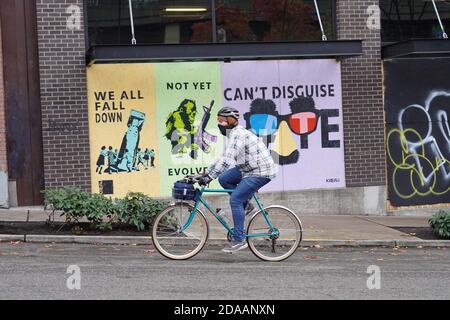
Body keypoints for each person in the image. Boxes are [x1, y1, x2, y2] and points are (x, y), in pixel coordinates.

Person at [198, 107, 277, 253]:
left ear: (231, 121)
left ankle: (239, 239)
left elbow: (228, 160)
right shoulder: (233, 134)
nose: (219, 124)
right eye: (218, 121)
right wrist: (206, 173)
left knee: (235, 200)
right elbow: (224, 157)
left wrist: (209, 177)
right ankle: (246, 206)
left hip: (260, 171)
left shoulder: (238, 134)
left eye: (221, 120)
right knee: (224, 179)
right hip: (248, 168)